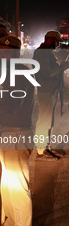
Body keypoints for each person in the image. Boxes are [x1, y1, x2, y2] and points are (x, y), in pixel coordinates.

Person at [0, 36, 34, 226]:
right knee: (7, 185)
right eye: (1, 52)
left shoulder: (19, 72)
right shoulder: (11, 72)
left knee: (18, 188)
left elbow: (14, 101)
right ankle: (10, 222)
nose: (3, 55)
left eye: (8, 52)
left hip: (18, 135)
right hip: (9, 133)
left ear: (17, 53)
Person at [33, 30, 69, 160]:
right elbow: (46, 73)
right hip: (46, 91)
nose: (58, 43)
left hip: (50, 90)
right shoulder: (42, 52)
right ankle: (41, 150)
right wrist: (61, 67)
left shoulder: (46, 51)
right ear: (49, 39)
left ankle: (45, 147)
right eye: (56, 40)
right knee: (44, 122)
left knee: (49, 122)